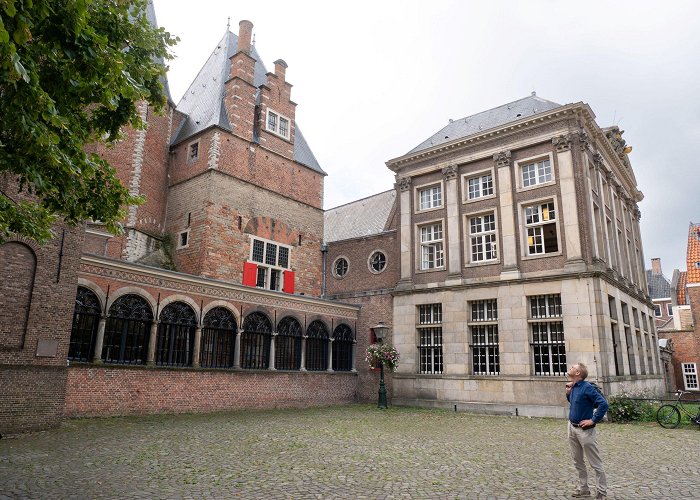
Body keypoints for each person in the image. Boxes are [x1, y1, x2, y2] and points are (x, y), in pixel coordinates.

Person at [566, 362, 608, 499]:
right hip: (572, 427)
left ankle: (601, 491)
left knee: (595, 462)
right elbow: (575, 403)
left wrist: (593, 420)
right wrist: (568, 393)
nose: (570, 368)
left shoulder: (587, 387)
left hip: (585, 431)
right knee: (577, 461)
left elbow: (603, 404)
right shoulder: (573, 386)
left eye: (573, 367)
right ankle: (583, 489)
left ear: (578, 373)